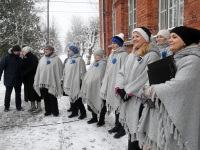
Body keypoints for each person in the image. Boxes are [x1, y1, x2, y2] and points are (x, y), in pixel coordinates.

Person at [138, 26, 200, 150]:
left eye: (174, 37)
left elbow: (177, 86)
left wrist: (152, 90)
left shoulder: (193, 60)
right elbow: (155, 78)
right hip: (161, 115)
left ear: (186, 40)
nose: (169, 40)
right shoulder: (173, 57)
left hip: (175, 120)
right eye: (170, 37)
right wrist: (147, 86)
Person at [115, 27, 160, 150]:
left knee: (139, 136)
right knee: (131, 134)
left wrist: (128, 91)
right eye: (133, 36)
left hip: (141, 102)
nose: (134, 39)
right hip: (129, 100)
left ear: (145, 38)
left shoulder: (152, 55)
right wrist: (120, 87)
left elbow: (146, 77)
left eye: (137, 36)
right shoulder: (132, 55)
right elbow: (121, 72)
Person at [100, 33, 128, 138]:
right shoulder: (112, 54)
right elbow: (108, 70)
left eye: (115, 43)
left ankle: (122, 128)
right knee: (115, 106)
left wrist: (121, 85)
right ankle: (117, 125)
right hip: (111, 83)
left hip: (119, 84)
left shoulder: (124, 55)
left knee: (120, 106)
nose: (113, 45)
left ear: (120, 44)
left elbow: (125, 71)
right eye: (112, 43)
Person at [79, 49, 107, 126]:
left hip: (99, 88)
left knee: (101, 103)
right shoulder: (93, 63)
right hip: (91, 87)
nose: (95, 56)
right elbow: (89, 74)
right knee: (91, 100)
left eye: (97, 55)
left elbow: (102, 75)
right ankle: (94, 118)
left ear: (101, 55)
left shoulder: (104, 64)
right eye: (94, 55)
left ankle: (101, 120)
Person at [34, 44, 62, 117]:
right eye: (45, 49)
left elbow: (59, 71)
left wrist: (59, 81)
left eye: (47, 49)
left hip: (52, 82)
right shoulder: (42, 59)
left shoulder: (56, 59)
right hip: (43, 82)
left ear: (51, 51)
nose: (45, 51)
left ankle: (55, 111)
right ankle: (48, 111)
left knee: (52, 97)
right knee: (45, 97)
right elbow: (39, 70)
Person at [63, 45, 87, 119]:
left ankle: (83, 113)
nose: (68, 52)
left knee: (77, 99)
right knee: (71, 97)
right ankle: (74, 112)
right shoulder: (69, 60)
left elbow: (83, 71)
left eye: (69, 51)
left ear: (74, 51)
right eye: (68, 51)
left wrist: (82, 81)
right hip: (69, 81)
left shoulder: (80, 60)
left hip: (77, 82)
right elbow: (65, 71)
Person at [0, 45, 23, 112]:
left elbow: (22, 69)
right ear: (12, 51)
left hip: (18, 79)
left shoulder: (20, 58)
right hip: (9, 79)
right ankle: (6, 107)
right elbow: (1, 67)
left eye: (18, 51)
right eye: (15, 51)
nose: (16, 52)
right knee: (8, 93)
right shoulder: (7, 57)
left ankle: (18, 106)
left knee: (18, 93)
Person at [21, 46, 42, 113]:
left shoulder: (33, 57)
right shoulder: (25, 58)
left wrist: (25, 73)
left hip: (33, 78)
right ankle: (33, 106)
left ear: (27, 51)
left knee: (36, 91)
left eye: (23, 51)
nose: (22, 52)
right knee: (30, 92)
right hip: (27, 78)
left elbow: (33, 67)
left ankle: (39, 106)